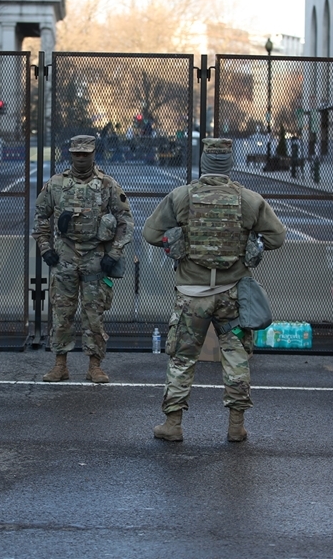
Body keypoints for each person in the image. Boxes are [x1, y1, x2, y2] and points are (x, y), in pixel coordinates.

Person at [143, 138, 285, 442]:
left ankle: (173, 424)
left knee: (182, 357)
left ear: (203, 164)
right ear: (229, 164)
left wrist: (177, 239)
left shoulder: (182, 197)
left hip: (191, 296)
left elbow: (150, 233)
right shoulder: (248, 200)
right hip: (232, 293)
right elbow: (277, 238)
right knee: (236, 355)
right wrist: (251, 243)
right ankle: (236, 426)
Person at [33, 134, 133, 384]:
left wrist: (114, 253)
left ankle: (95, 366)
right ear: (70, 154)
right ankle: (60, 365)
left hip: (95, 257)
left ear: (93, 154)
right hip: (64, 256)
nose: (80, 158)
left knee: (94, 314)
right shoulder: (56, 184)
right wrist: (45, 248)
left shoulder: (108, 185)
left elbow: (125, 220)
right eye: (76, 153)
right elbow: (41, 217)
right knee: (62, 312)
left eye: (85, 154)